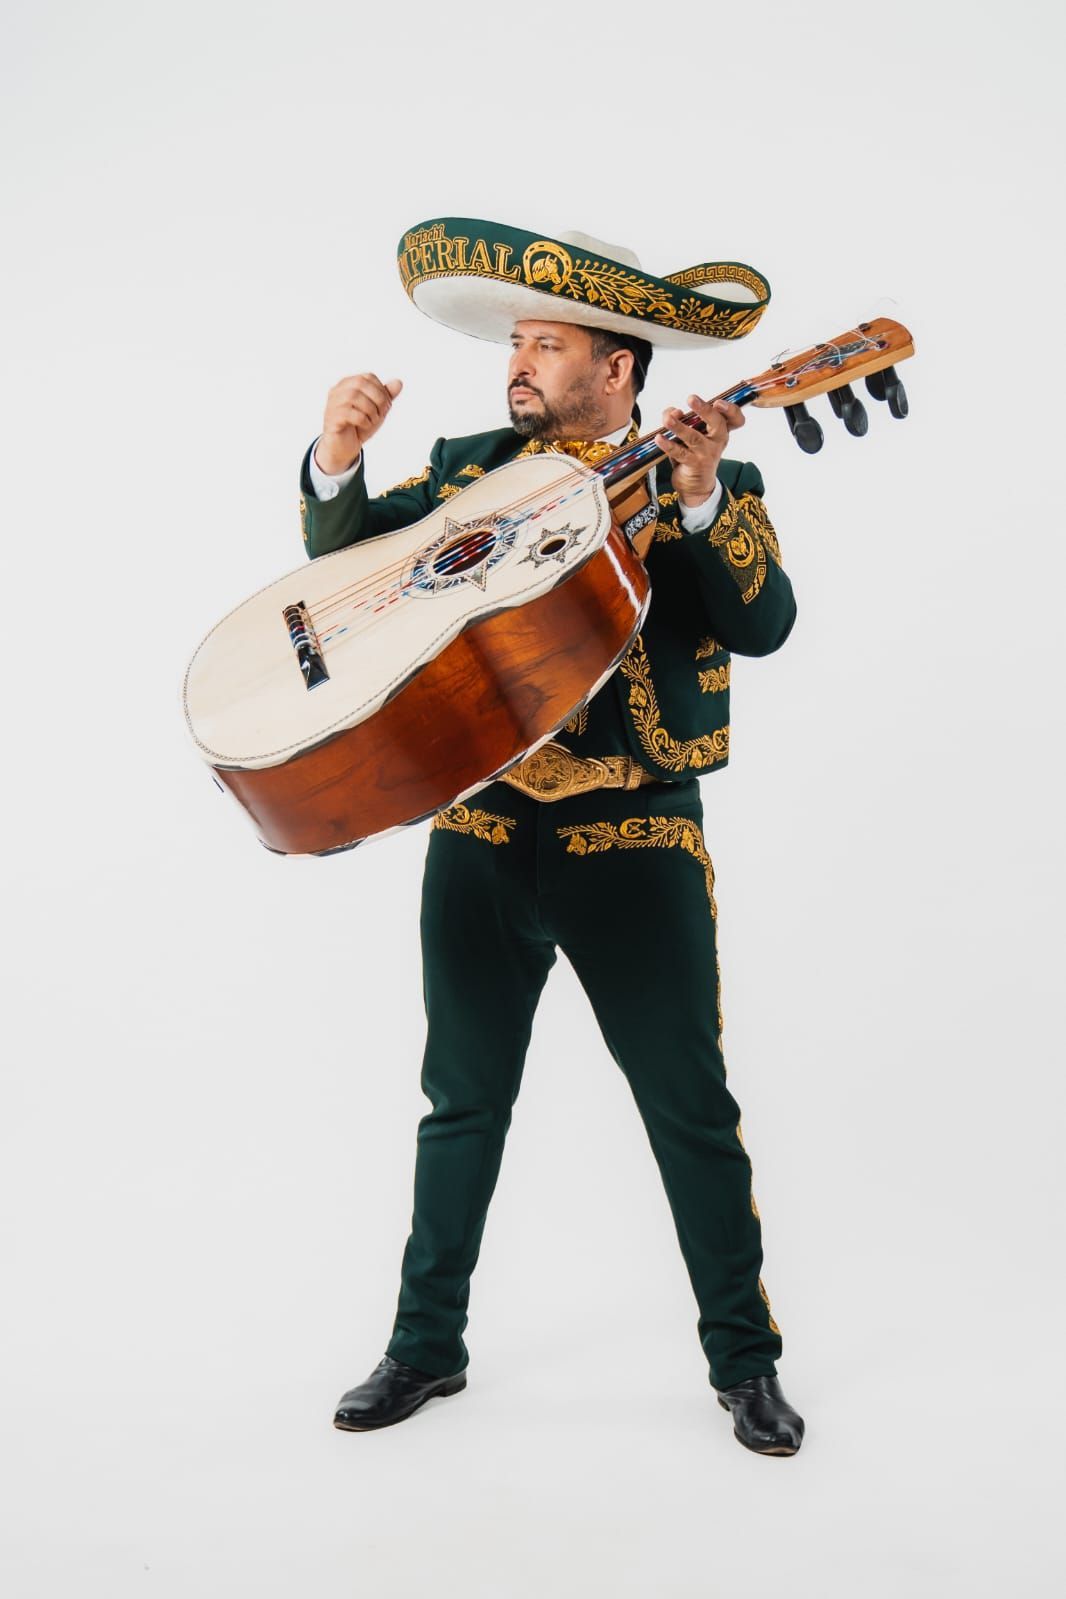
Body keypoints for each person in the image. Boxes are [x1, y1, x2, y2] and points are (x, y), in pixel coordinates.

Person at [299, 219, 805, 1455]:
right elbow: (347, 577)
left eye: (547, 345)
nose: (518, 363)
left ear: (616, 368)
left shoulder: (707, 482)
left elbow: (763, 624)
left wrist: (698, 500)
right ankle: (425, 1347)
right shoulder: (468, 469)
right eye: (516, 343)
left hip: (633, 837)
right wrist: (337, 461)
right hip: (480, 827)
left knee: (686, 1105)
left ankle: (744, 1363)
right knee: (459, 1101)